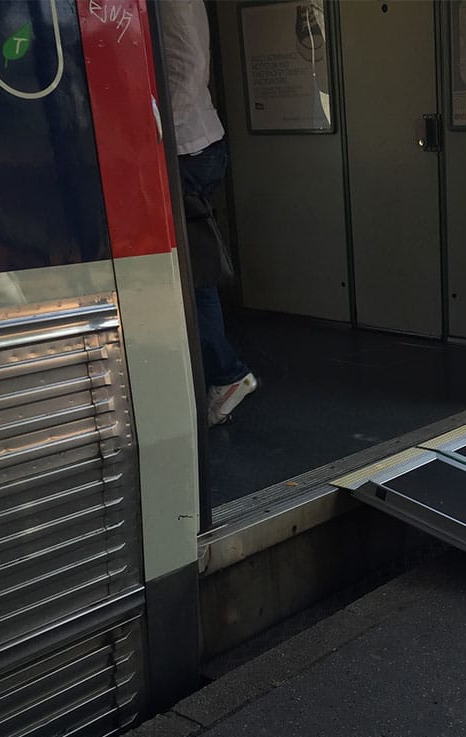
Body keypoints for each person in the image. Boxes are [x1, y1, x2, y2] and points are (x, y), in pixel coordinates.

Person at [160, 0, 257, 426]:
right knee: (193, 273)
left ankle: (226, 373)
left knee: (190, 277)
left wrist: (159, 137)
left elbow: (188, 63)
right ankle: (216, 375)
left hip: (183, 148)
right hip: (199, 142)